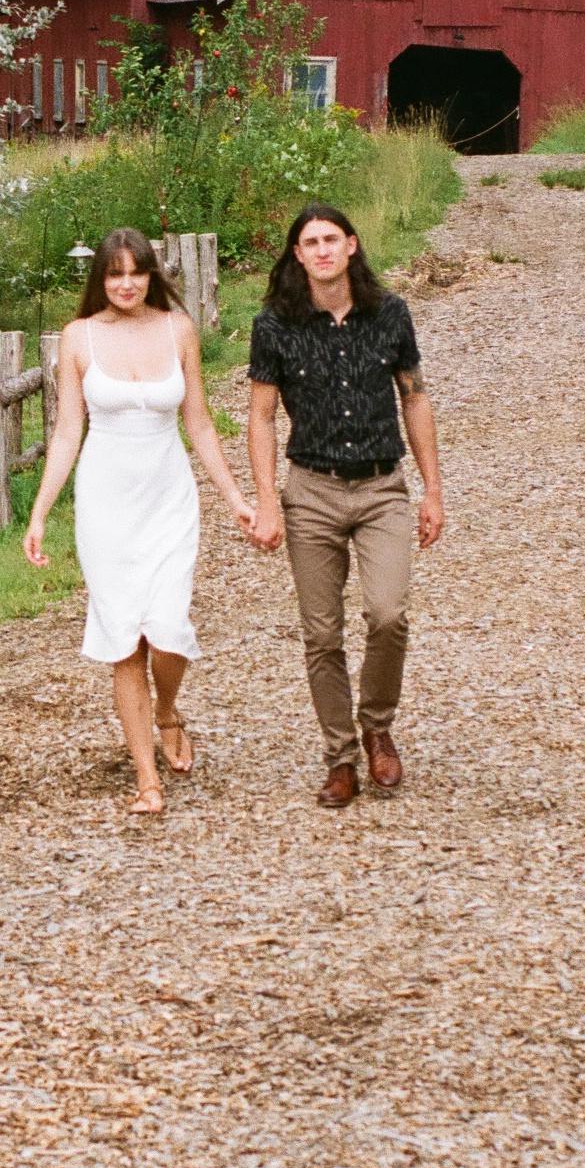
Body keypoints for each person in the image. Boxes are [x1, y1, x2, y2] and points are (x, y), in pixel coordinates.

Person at [24, 229, 255, 816]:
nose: (125, 285)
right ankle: (145, 777)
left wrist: (235, 498)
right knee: (125, 638)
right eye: (113, 274)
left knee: (169, 627)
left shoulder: (178, 328)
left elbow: (199, 423)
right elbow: (68, 430)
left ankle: (167, 709)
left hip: (167, 494)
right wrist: (40, 513)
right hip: (105, 501)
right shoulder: (78, 337)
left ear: (152, 274)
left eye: (136, 273)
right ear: (99, 280)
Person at [246, 203, 446, 808]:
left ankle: (377, 724)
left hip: (382, 486)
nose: (323, 250)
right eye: (311, 242)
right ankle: (340, 756)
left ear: (352, 246)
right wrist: (266, 503)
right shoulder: (275, 323)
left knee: (388, 614)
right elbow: (259, 416)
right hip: (311, 490)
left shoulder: (390, 314)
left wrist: (433, 489)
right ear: (298, 255)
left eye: (332, 239)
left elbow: (414, 398)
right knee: (321, 632)